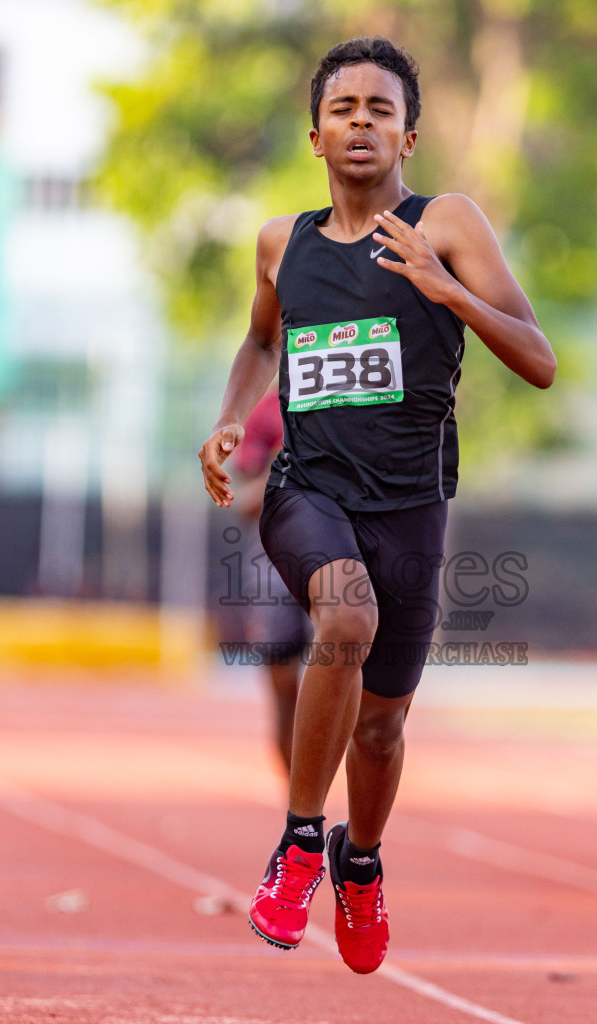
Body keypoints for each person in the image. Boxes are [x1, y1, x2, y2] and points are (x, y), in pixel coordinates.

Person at [197, 37, 554, 974]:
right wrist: (233, 421)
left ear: (409, 135)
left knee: (385, 726)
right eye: (345, 107)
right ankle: (301, 841)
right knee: (343, 613)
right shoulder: (284, 242)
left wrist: (445, 290)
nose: (362, 121)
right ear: (316, 134)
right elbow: (260, 343)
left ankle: (362, 862)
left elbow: (539, 359)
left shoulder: (449, 225)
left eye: (381, 109)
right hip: (308, 492)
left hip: (412, 506)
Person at [233, 390, 313, 773]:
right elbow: (244, 502)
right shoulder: (263, 413)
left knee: (343, 680)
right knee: (284, 694)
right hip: (274, 561)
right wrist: (290, 460)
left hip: (344, 556)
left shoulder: (354, 396)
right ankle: (298, 812)